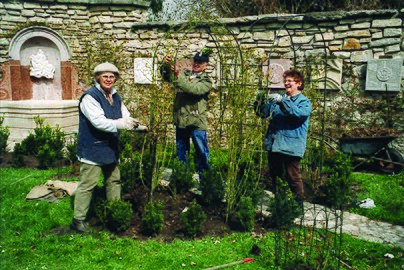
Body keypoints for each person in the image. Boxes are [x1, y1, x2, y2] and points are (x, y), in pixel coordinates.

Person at [72, 62, 147, 233]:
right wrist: (123, 124)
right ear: (97, 78)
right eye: (105, 76)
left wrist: (138, 126)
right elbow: (99, 122)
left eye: (112, 76)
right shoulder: (90, 97)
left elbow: (125, 116)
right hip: (92, 148)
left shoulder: (116, 97)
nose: (109, 79)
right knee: (88, 184)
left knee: (114, 181)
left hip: (110, 148)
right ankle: (78, 220)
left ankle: (115, 213)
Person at [254, 69, 312, 203]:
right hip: (274, 144)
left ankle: (298, 206)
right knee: (276, 176)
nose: (286, 83)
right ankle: (280, 203)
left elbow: (297, 114)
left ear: (299, 83)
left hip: (291, 146)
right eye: (285, 81)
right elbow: (263, 114)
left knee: (293, 177)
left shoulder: (304, 102)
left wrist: (282, 101)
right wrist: (259, 101)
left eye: (290, 81)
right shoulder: (279, 99)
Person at [160, 50, 212, 176]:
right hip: (182, 120)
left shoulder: (206, 81)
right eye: (195, 61)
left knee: (201, 151)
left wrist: (179, 76)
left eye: (200, 62)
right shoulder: (185, 74)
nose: (197, 64)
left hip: (196, 122)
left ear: (206, 65)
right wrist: (166, 65)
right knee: (181, 151)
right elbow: (167, 77)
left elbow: (193, 90)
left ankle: (206, 179)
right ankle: (183, 178)